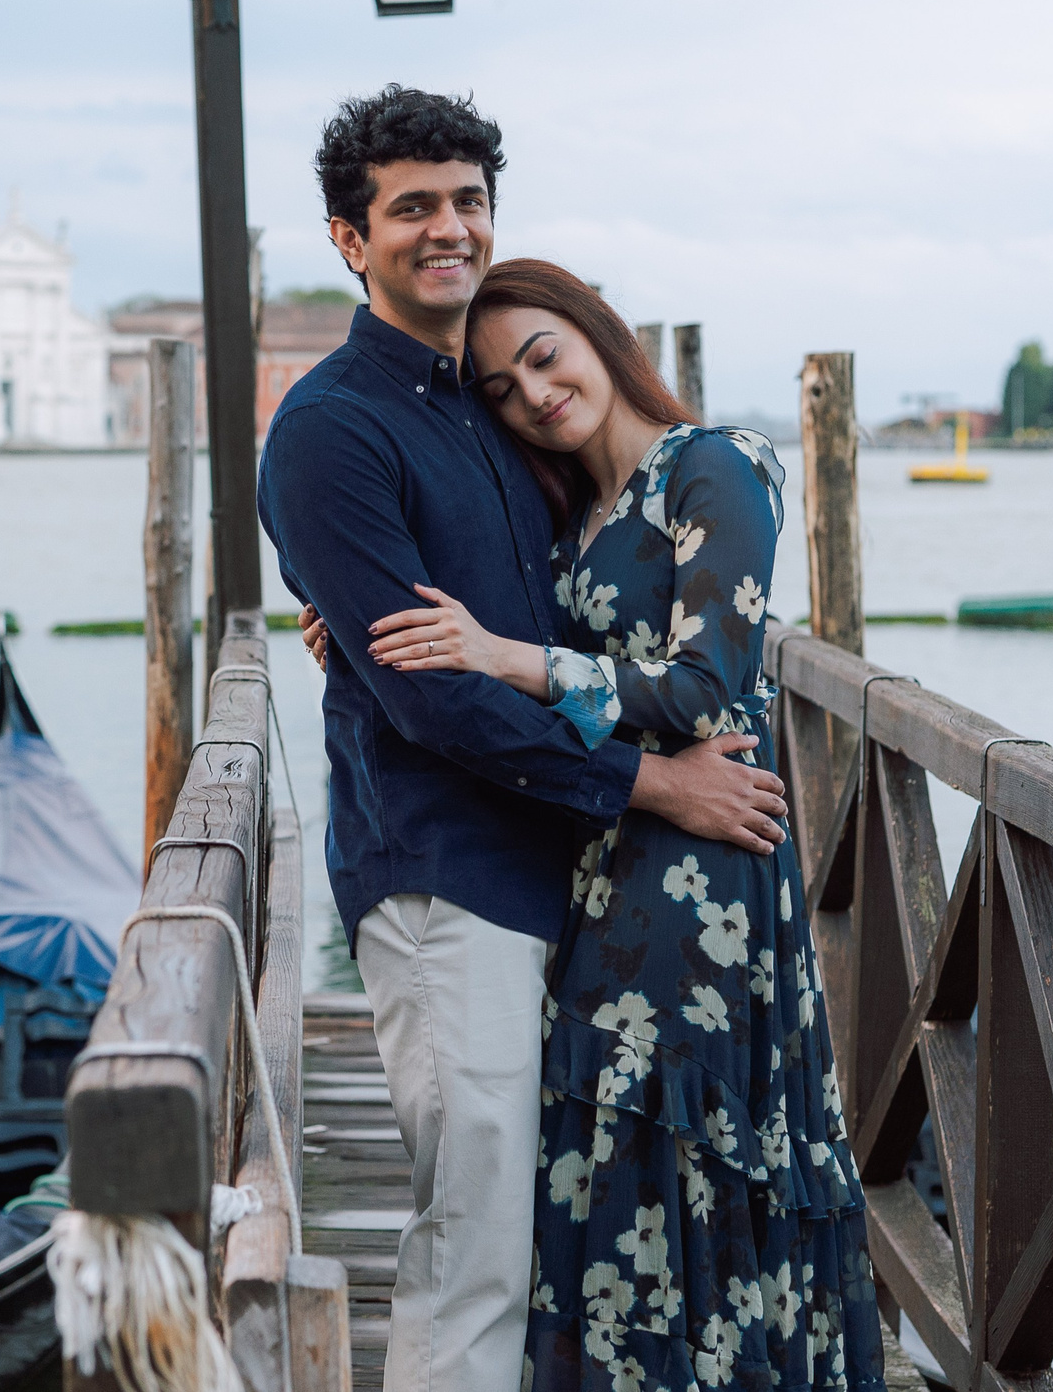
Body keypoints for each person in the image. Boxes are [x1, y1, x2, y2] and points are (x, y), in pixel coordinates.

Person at [257, 87, 798, 1392]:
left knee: (566, 1224)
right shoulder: (331, 428)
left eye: (468, 201)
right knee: (483, 1229)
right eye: (413, 207)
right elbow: (430, 693)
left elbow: (577, 614)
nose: (449, 228)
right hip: (449, 876)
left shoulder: (489, 409)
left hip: (575, 872)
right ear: (349, 237)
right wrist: (649, 778)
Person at [344, 256, 881, 1390]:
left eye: (544, 355)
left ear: (597, 333)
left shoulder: (716, 467)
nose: (534, 393)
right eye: (499, 388)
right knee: (601, 1166)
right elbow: (475, 629)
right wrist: (342, 618)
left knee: (682, 1153)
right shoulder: (570, 515)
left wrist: (506, 656)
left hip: (699, 875)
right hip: (590, 865)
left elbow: (700, 688)